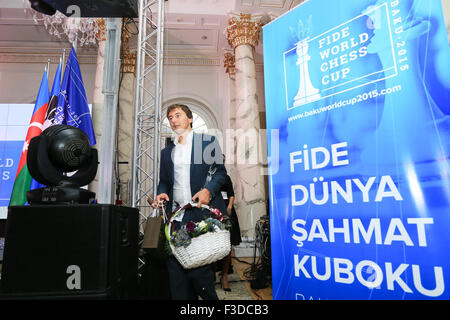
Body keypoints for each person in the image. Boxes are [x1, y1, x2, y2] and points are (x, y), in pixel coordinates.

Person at [152, 103, 228, 300]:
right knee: (176, 274)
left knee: (201, 276)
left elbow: (220, 173)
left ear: (190, 118)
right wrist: (161, 193)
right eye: (170, 118)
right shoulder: (167, 152)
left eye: (178, 115)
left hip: (200, 214)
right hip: (176, 217)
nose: (173, 120)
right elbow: (165, 182)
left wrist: (208, 191)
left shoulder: (206, 142)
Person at [215, 155, 241, 292]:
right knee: (212, 244)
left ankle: (224, 276)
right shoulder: (207, 176)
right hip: (213, 209)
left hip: (226, 209)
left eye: (223, 160)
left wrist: (229, 207)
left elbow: (231, 194)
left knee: (227, 244)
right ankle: (211, 275)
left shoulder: (226, 176)